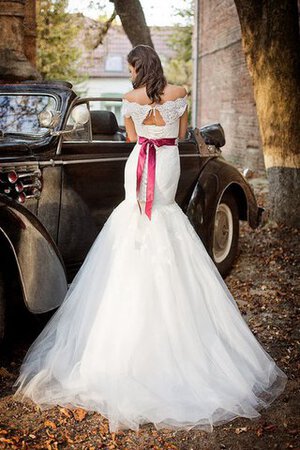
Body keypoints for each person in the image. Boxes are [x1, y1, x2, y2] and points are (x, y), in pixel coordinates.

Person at [13, 44, 287, 433]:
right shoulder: (180, 94)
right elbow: (176, 133)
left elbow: (130, 138)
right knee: (166, 216)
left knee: (134, 222)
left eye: (129, 68)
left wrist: (144, 129)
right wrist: (159, 134)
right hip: (167, 162)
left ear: (138, 68)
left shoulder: (129, 98)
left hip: (140, 161)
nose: (128, 75)